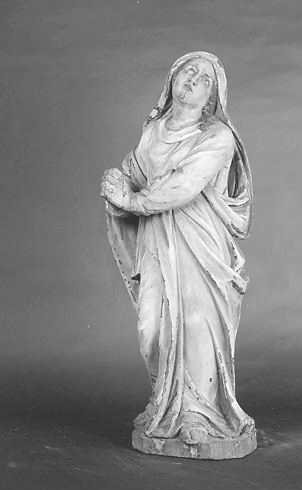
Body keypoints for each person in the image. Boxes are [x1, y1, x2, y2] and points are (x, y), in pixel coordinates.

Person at [101, 51, 255, 447]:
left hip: (199, 241)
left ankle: (198, 413)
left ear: (212, 96)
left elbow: (183, 185)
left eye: (204, 78)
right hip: (157, 240)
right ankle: (165, 400)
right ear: (172, 77)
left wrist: (131, 201)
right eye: (188, 70)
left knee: (197, 325)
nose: (192, 79)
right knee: (151, 327)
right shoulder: (154, 130)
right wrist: (117, 183)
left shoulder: (217, 137)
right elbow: (136, 172)